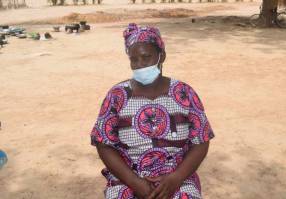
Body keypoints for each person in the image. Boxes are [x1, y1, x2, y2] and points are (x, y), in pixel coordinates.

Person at [90, 23, 214, 199]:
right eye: (134, 60)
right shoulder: (117, 96)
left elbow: (201, 140)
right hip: (127, 178)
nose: (140, 65)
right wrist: (135, 182)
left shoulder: (184, 93)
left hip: (177, 177)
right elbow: (104, 145)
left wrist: (176, 178)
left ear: (161, 56)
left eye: (146, 57)